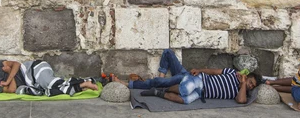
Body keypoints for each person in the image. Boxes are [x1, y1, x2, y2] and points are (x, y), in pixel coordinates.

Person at [112, 49, 262, 104]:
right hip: (196, 77)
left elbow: (241, 101)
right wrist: (199, 69)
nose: (250, 85)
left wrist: (243, 85)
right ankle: (161, 78)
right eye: (250, 82)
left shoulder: (240, 92)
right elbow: (214, 71)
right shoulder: (231, 73)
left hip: (197, 87)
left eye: (252, 86)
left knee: (161, 83)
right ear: (246, 75)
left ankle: (127, 84)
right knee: (168, 52)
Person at [0, 59, 98, 96]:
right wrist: (10, 73)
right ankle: (82, 85)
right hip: (32, 83)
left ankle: (87, 81)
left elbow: (16, 64)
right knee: (51, 91)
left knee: (50, 83)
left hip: (34, 68)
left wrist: (9, 78)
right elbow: (12, 89)